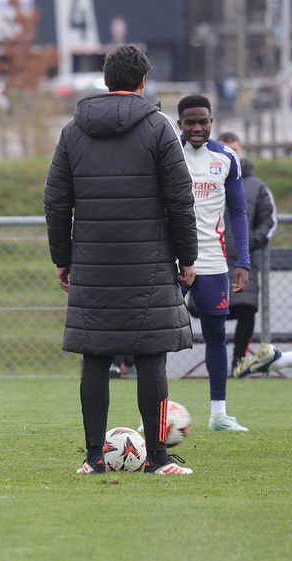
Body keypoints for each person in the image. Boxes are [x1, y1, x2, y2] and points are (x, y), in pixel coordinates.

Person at [44, 45, 198, 476]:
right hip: (149, 263)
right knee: (151, 358)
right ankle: (159, 460)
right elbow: (180, 201)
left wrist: (63, 257)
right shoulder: (159, 129)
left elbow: (56, 201)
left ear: (106, 80)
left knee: (94, 358)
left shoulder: (74, 130)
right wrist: (188, 256)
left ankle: (93, 459)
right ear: (143, 82)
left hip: (92, 264)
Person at [177, 96, 251, 432]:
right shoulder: (168, 153)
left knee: (217, 335)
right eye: (189, 122)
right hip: (172, 261)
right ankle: (151, 414)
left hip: (212, 261)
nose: (196, 128)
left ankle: (218, 414)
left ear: (211, 122)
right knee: (158, 337)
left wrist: (243, 260)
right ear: (180, 124)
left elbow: (237, 212)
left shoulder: (226, 158)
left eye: (202, 121)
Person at [217, 132, 277, 375]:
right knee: (212, 312)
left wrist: (250, 241)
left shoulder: (257, 186)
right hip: (212, 260)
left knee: (247, 309)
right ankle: (218, 364)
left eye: (235, 149)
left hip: (243, 262)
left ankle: (238, 363)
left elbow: (269, 221)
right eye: (227, 149)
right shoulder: (208, 179)